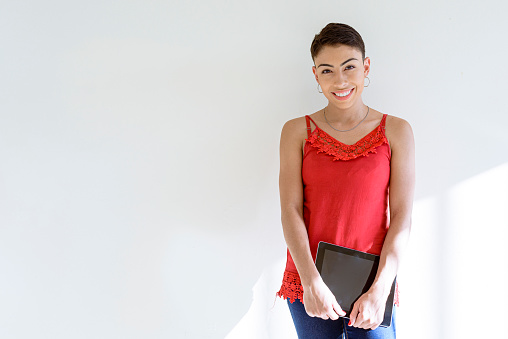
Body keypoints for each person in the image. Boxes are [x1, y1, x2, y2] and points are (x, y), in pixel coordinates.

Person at [276, 23, 415, 338]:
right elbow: (290, 211)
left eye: (349, 67)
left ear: (365, 66)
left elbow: (403, 217)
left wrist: (380, 289)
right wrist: (311, 282)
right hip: (308, 278)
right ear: (315, 75)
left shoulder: (396, 131)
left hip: (372, 280)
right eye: (327, 71)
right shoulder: (296, 131)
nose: (339, 80)